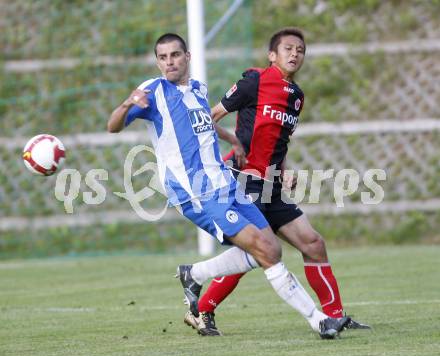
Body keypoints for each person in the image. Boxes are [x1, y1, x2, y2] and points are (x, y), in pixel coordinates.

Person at [107, 32, 350, 339]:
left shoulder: (197, 89)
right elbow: (113, 126)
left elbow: (204, 123)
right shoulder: (152, 91)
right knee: (265, 250)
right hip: (196, 189)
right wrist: (128, 103)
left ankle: (193, 274)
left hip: (225, 181)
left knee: (269, 249)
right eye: (163, 57)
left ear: (187, 57)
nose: (169, 62)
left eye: (175, 55)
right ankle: (319, 321)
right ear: (158, 61)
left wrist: (232, 138)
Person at [183, 27, 371, 336]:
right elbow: (210, 116)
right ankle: (202, 308)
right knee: (258, 251)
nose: (295, 53)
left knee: (313, 244)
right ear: (273, 55)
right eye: (288, 48)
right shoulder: (254, 81)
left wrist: (284, 171)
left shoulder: (296, 97)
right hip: (243, 180)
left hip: (271, 184)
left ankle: (336, 316)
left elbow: (278, 142)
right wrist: (207, 160)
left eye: (300, 50)